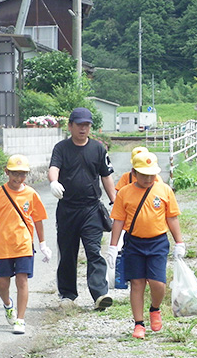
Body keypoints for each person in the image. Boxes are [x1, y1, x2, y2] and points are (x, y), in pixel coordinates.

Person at [106, 151, 185, 339]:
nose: (149, 178)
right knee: (137, 283)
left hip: (157, 242)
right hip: (134, 243)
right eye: (144, 174)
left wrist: (179, 242)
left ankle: (155, 309)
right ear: (134, 172)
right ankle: (139, 324)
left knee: (158, 284)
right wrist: (113, 246)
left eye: (152, 174)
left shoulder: (164, 190)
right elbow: (118, 220)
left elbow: (171, 217)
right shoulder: (125, 193)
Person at [0, 154, 51, 334]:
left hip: (23, 244)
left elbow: (38, 220)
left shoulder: (31, 194)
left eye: (22, 174)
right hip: (3, 245)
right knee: (2, 283)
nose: (18, 178)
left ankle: (20, 319)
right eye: (15, 173)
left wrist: (43, 244)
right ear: (6, 172)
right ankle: (8, 305)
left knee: (22, 280)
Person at [48, 107, 116, 310]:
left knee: (94, 251)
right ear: (70, 126)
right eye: (79, 125)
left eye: (87, 125)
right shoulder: (61, 148)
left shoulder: (98, 148)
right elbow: (54, 168)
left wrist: (115, 202)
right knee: (68, 252)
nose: (83, 128)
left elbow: (106, 176)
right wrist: (53, 182)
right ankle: (68, 295)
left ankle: (100, 295)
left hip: (91, 209)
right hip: (67, 209)